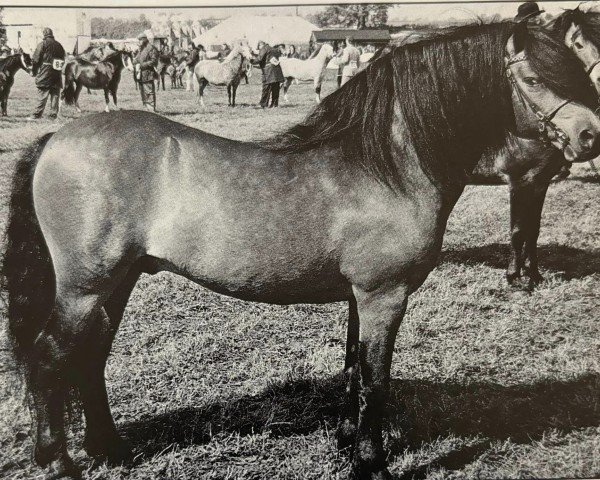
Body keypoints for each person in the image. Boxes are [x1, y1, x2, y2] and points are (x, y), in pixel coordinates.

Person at [28, 27, 65, 120]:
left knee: (42, 93)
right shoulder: (59, 45)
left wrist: (34, 71)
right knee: (55, 94)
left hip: (45, 72)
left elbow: (36, 59)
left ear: (44, 34)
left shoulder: (42, 44)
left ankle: (37, 115)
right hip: (56, 73)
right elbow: (63, 58)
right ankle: (53, 115)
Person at [254, 40, 284, 108]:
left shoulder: (264, 48)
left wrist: (251, 61)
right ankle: (274, 104)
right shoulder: (274, 49)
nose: (259, 50)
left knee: (266, 87)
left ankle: (263, 104)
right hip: (277, 70)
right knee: (275, 88)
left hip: (268, 71)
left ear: (260, 45)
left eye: (259, 48)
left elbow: (259, 58)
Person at [133, 32, 159, 111]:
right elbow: (137, 59)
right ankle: (146, 109)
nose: (139, 42)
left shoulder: (151, 48)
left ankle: (151, 110)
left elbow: (154, 61)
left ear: (144, 39)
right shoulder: (142, 48)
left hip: (148, 74)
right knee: (143, 92)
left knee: (149, 92)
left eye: (140, 40)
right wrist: (134, 61)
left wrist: (141, 65)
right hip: (141, 74)